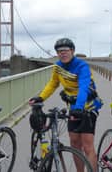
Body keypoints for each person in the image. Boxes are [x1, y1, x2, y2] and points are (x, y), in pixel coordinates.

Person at [29, 37, 102, 172]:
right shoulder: (58, 67)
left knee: (87, 146)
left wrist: (79, 107)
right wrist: (40, 97)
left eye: (66, 50)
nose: (63, 53)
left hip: (88, 106)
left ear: (72, 51)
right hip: (73, 108)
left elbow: (84, 87)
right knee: (74, 143)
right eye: (59, 51)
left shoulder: (82, 66)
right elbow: (53, 84)